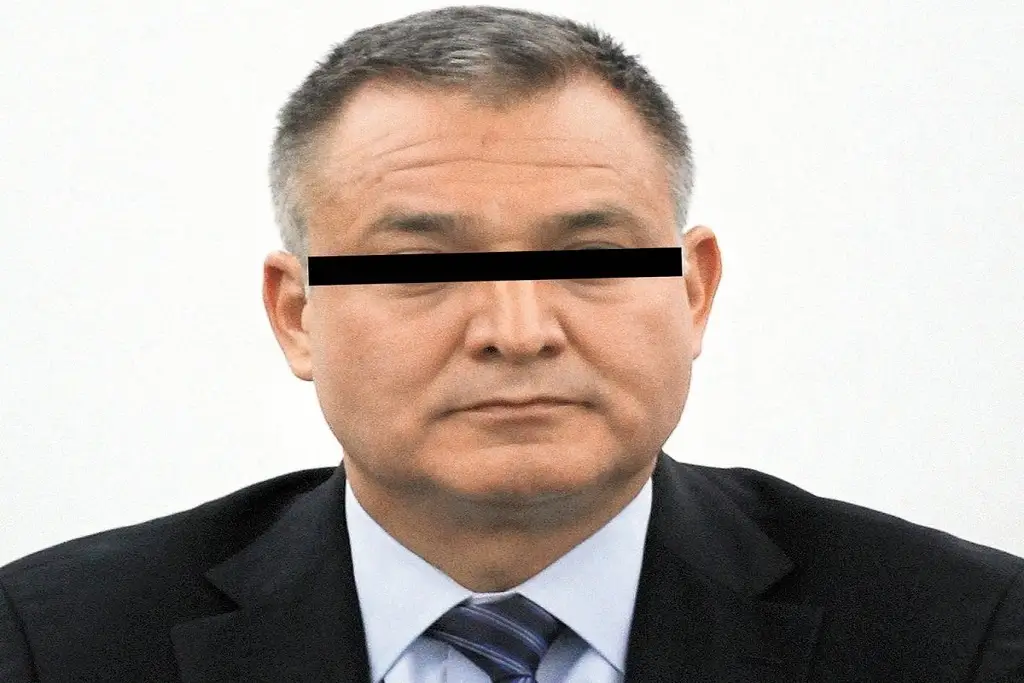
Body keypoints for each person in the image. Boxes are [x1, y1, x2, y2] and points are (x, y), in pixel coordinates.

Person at [1, 6, 1021, 682]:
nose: (518, 332)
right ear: (297, 314)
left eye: (591, 259)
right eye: (421, 268)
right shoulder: (56, 643)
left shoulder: (960, 634)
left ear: (693, 291)